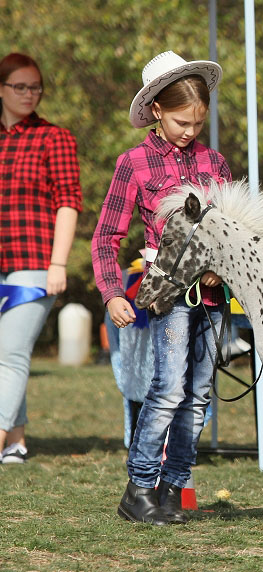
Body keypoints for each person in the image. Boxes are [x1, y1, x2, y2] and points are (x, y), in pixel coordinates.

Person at [91, 51, 231, 525]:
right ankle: (140, 486)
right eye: (180, 120)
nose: (190, 131)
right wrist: (113, 293)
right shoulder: (133, 163)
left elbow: (232, 231)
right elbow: (106, 236)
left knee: (200, 396)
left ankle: (173, 488)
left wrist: (220, 268)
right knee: (168, 390)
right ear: (155, 110)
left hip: (211, 300)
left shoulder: (216, 163)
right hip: (168, 297)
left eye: (197, 122)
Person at [0, 53, 82, 464]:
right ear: (1, 89)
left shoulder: (54, 138)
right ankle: (15, 440)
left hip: (33, 261)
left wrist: (58, 264)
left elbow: (68, 202)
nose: (30, 94)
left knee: (11, 352)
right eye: (20, 86)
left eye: (36, 87)